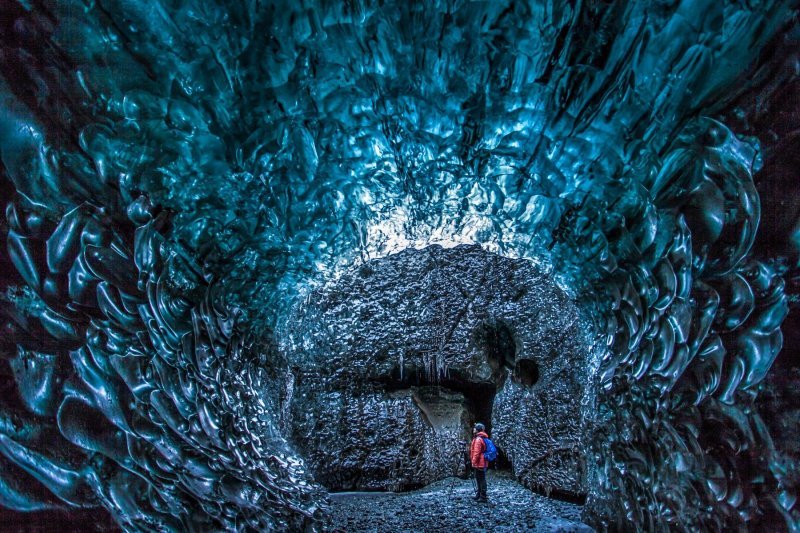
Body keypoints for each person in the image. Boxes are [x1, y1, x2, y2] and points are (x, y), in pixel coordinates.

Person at [470, 423, 489, 502]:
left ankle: (483, 496)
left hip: (480, 462)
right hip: (481, 461)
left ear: (477, 429)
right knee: (479, 478)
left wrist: (473, 462)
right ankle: (479, 494)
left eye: (474, 428)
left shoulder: (478, 439)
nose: (473, 429)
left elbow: (476, 452)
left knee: (481, 478)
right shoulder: (480, 437)